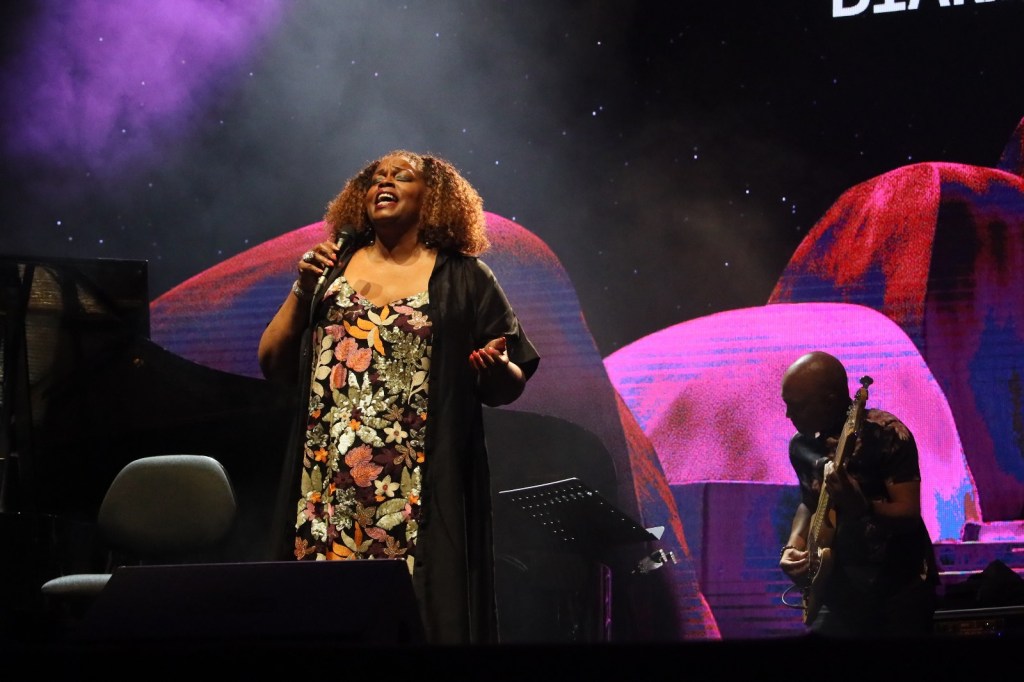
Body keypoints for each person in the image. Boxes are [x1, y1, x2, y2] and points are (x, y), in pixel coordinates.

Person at [257, 149, 540, 645]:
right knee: (322, 622)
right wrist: (302, 290)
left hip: (416, 489)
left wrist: (496, 369)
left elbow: (508, 383)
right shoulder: (329, 271)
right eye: (374, 178)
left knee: (412, 624)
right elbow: (271, 362)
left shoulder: (466, 278)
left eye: (400, 176)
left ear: (431, 199)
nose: (382, 184)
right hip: (327, 484)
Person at [778, 350, 938, 637]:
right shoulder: (800, 446)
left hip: (899, 590)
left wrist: (862, 507)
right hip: (838, 591)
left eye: (798, 406)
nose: (788, 414)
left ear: (829, 400)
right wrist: (793, 545)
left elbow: (909, 514)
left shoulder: (887, 433)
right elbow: (808, 502)